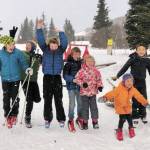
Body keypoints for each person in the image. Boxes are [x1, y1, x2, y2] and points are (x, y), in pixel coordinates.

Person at [36, 19, 68, 128]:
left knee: (58, 99)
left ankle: (61, 119)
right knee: (48, 99)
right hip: (47, 77)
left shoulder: (60, 50)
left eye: (55, 45)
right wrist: (39, 28)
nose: (53, 46)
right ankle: (47, 119)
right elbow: (40, 40)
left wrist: (61, 32)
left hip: (57, 77)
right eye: (52, 45)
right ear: (49, 45)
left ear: (57, 45)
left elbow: (65, 42)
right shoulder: (45, 50)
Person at [100, 74, 150, 141]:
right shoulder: (119, 89)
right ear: (124, 82)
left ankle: (131, 128)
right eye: (128, 81)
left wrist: (145, 103)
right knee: (122, 118)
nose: (130, 83)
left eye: (131, 81)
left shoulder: (133, 89)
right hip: (120, 105)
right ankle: (119, 130)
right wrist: (105, 98)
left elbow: (139, 96)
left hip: (127, 105)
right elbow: (112, 93)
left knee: (129, 118)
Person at [112, 45, 150, 123]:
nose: (141, 51)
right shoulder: (132, 59)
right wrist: (117, 76)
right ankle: (135, 115)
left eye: (143, 49)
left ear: (146, 51)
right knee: (135, 99)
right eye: (139, 49)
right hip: (133, 82)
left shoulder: (147, 60)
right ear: (136, 51)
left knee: (143, 98)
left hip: (142, 82)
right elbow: (125, 67)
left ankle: (143, 115)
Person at [0, 35, 31, 128]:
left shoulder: (18, 53)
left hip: (15, 79)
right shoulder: (1, 53)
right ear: (5, 44)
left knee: (15, 98)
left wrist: (27, 69)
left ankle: (14, 115)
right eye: (9, 44)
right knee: (6, 98)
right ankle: (7, 115)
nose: (11, 46)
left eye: (13, 44)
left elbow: (23, 63)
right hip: (5, 79)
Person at [75, 55, 103, 130]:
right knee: (85, 108)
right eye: (88, 61)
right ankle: (85, 122)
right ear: (85, 62)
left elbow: (99, 80)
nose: (90, 63)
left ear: (94, 62)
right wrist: (82, 83)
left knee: (94, 107)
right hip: (84, 93)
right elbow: (76, 79)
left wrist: (100, 86)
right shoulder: (81, 71)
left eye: (92, 61)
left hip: (93, 92)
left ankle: (95, 121)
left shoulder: (96, 71)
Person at [20, 41, 41, 128]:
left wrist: (38, 59)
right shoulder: (22, 54)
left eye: (29, 45)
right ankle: (27, 117)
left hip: (33, 81)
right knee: (30, 99)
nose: (27, 47)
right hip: (25, 80)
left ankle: (29, 110)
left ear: (33, 47)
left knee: (37, 99)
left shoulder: (36, 56)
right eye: (26, 45)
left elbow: (36, 68)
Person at [63, 47, 82, 132]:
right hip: (71, 87)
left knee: (80, 104)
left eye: (78, 54)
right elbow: (65, 75)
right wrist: (73, 79)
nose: (77, 56)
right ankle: (70, 120)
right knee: (72, 104)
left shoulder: (81, 63)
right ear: (72, 54)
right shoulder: (68, 64)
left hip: (80, 87)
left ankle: (79, 118)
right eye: (75, 54)